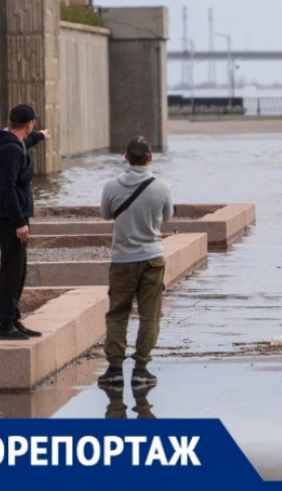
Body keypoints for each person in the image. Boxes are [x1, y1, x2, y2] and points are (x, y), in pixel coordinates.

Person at [98, 136, 173, 387]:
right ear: (150, 158)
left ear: (126, 157)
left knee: (117, 314)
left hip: (122, 259)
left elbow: (105, 214)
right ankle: (141, 369)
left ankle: (114, 370)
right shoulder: (162, 187)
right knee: (149, 315)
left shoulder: (111, 186)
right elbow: (167, 216)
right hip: (152, 258)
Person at [0, 104, 50, 340]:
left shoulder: (12, 143)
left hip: (13, 216)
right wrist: (20, 222)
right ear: (29, 123)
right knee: (11, 270)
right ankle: (5, 325)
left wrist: (40, 136)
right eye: (33, 125)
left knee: (19, 269)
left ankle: (13, 318)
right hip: (11, 218)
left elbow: (25, 142)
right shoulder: (10, 150)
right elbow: (7, 188)